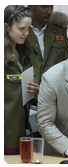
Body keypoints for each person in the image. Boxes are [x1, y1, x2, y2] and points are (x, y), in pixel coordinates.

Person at [4, 5, 39, 155]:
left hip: (22, 129)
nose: (26, 33)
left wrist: (35, 92)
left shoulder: (22, 52)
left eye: (29, 28)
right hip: (6, 133)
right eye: (22, 29)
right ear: (7, 27)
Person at [27, 5, 68, 86]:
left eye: (51, 7)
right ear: (31, 6)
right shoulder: (22, 31)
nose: (49, 11)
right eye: (44, 7)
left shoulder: (59, 32)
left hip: (53, 90)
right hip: (27, 90)